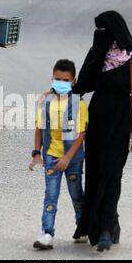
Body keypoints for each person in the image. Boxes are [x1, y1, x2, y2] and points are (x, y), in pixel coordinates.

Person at [71, 11, 132, 252]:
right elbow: (82, 85)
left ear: (113, 30)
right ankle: (99, 226)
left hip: (121, 120)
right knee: (95, 173)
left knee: (112, 173)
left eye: (102, 30)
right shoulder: (99, 55)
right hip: (97, 120)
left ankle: (105, 229)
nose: (98, 35)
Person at [29, 59, 89, 250]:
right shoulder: (46, 102)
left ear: (73, 80)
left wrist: (68, 158)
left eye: (65, 79)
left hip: (72, 159)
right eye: (57, 79)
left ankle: (82, 228)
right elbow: (39, 128)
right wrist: (36, 153)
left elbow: (81, 134)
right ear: (52, 78)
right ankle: (46, 233)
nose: (60, 82)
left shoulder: (79, 104)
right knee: (51, 195)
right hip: (51, 158)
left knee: (76, 194)